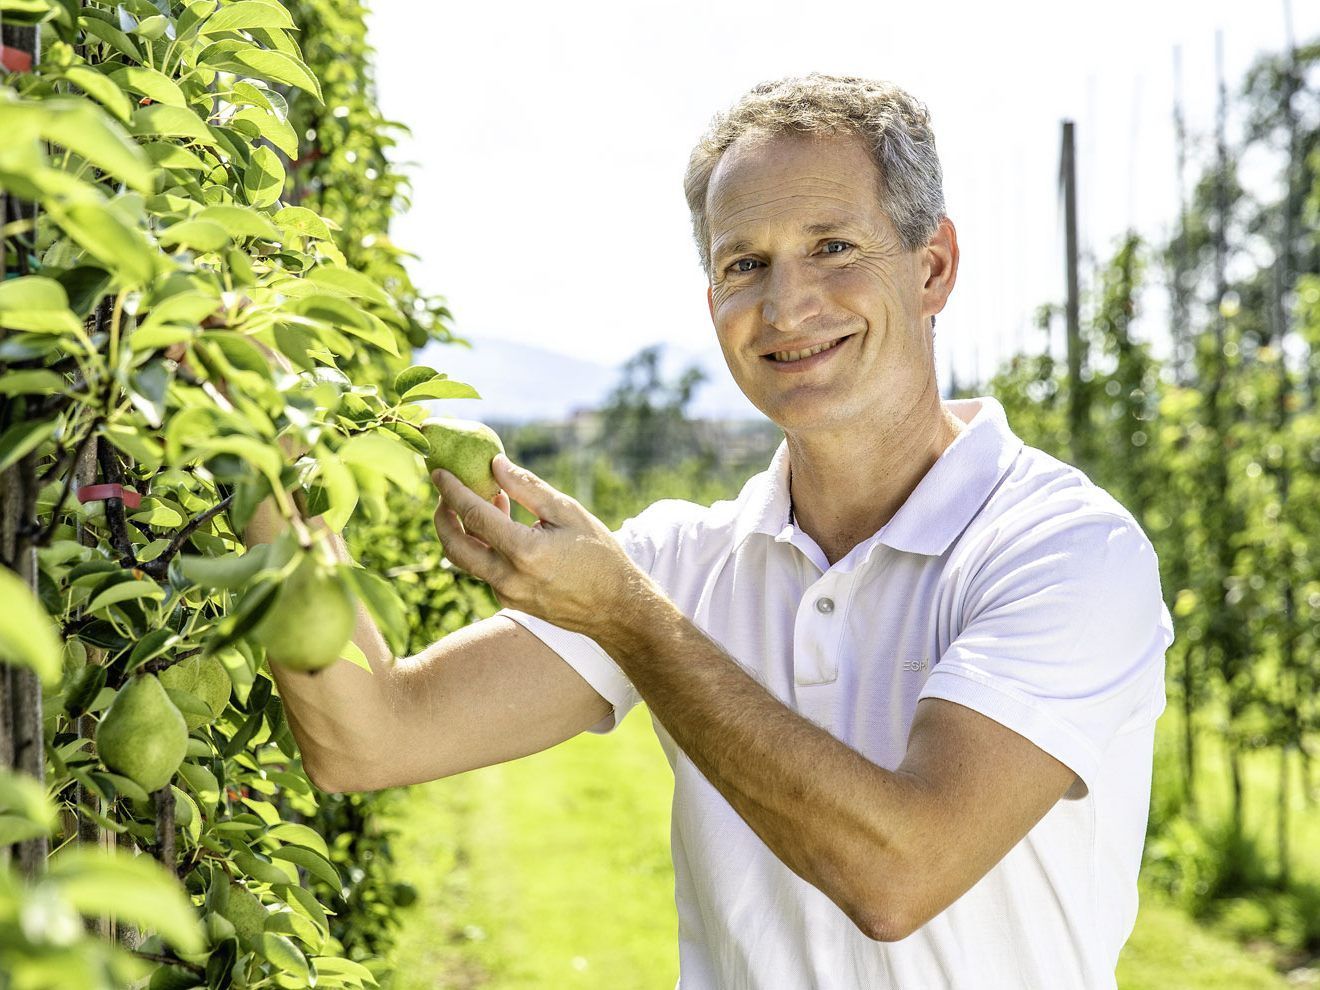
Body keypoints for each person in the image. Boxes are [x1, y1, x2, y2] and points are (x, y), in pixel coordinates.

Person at [247, 73, 1175, 990]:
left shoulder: (1064, 551)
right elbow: (373, 735)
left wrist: (631, 622)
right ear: (714, 307)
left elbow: (901, 872)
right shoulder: (680, 561)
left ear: (932, 268)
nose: (785, 305)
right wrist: (252, 439)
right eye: (745, 265)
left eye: (834, 246)